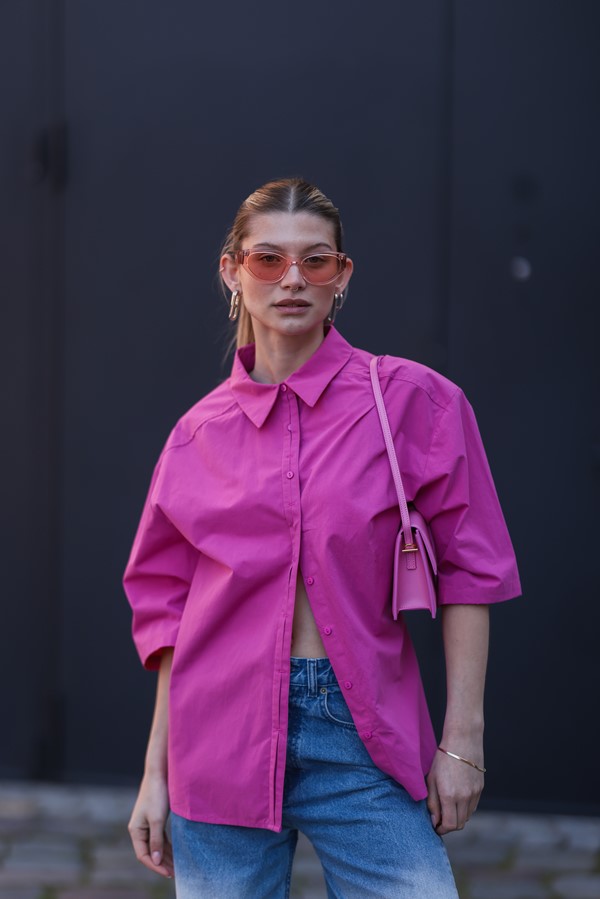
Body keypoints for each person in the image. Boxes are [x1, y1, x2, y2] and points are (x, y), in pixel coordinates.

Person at [123, 177, 521, 898]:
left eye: (317, 261)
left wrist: (463, 740)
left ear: (343, 275)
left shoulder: (414, 401)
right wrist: (155, 773)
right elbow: (170, 618)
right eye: (269, 260)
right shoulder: (196, 436)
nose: (293, 280)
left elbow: (473, 571)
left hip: (361, 727)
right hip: (218, 735)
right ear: (233, 271)